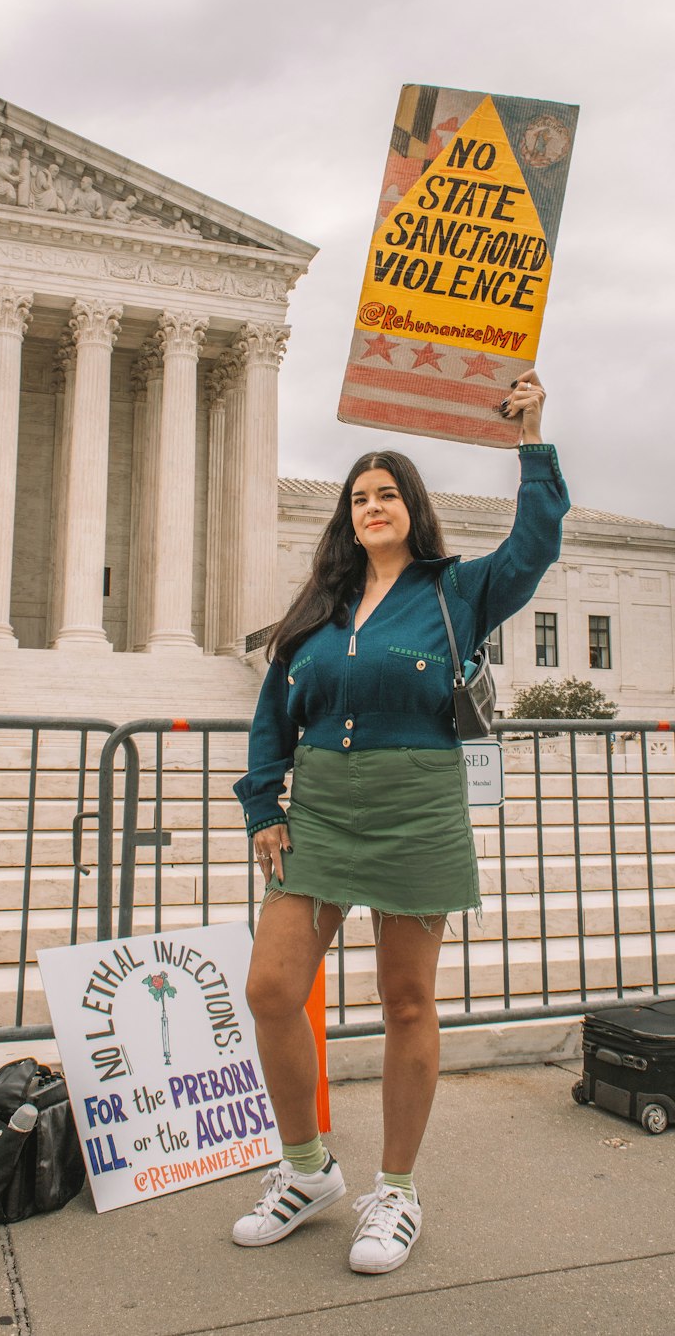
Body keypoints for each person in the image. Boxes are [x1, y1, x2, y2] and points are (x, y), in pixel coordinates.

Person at [231, 370, 570, 1273]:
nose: (371, 507)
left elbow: (535, 544)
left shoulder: (458, 591)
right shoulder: (317, 612)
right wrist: (265, 802)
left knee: (407, 1002)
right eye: (358, 499)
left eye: (386, 495)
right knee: (271, 987)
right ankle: (307, 1172)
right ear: (345, 520)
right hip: (325, 811)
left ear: (413, 509)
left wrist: (532, 438)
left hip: (418, 807)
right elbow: (273, 716)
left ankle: (397, 1189)